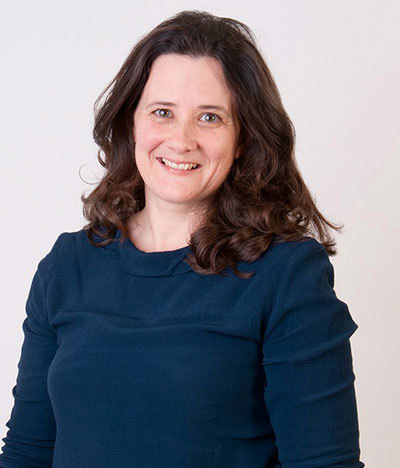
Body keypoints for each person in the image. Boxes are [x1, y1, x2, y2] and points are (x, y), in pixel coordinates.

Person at [0, 10, 364, 468]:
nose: (182, 139)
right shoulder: (67, 266)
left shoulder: (287, 274)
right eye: (162, 112)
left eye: (210, 117)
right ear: (131, 122)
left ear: (243, 138)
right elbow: (27, 454)